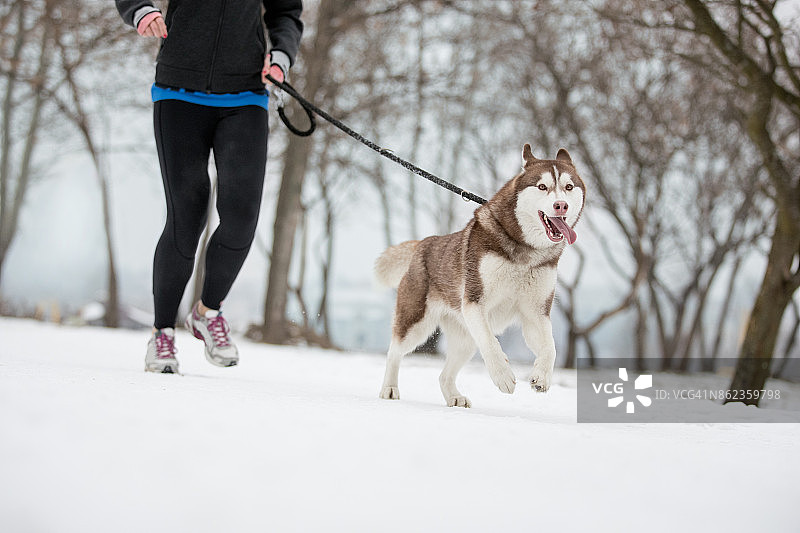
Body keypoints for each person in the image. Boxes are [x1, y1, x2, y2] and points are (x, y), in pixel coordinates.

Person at [115, 1, 303, 373]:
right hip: (178, 92)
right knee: (187, 215)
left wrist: (280, 56)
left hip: (246, 94)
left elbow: (286, 13)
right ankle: (162, 333)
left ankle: (207, 311)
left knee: (241, 217)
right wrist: (139, 10)